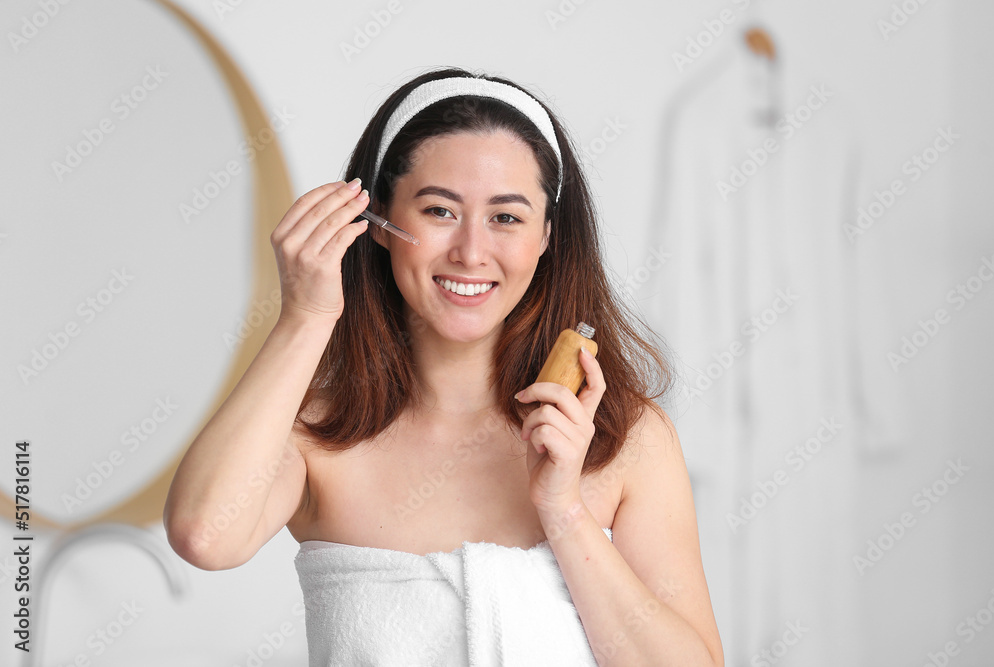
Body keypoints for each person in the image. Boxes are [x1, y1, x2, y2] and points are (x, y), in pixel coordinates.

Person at [164, 66, 724, 666]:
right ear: (376, 222)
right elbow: (204, 535)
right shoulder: (314, 436)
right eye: (439, 211)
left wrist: (564, 511)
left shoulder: (624, 439)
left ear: (546, 237)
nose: (471, 252)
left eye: (506, 217)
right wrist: (305, 316)